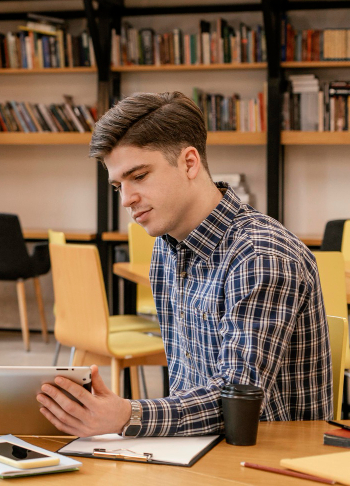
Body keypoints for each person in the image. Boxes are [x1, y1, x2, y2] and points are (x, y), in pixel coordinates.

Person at [37, 91, 332, 437]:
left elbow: (236, 404)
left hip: (267, 460)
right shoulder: (167, 247)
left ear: (189, 163)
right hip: (194, 449)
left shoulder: (260, 255)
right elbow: (186, 388)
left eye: (140, 176)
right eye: (119, 185)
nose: (126, 199)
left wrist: (126, 414)